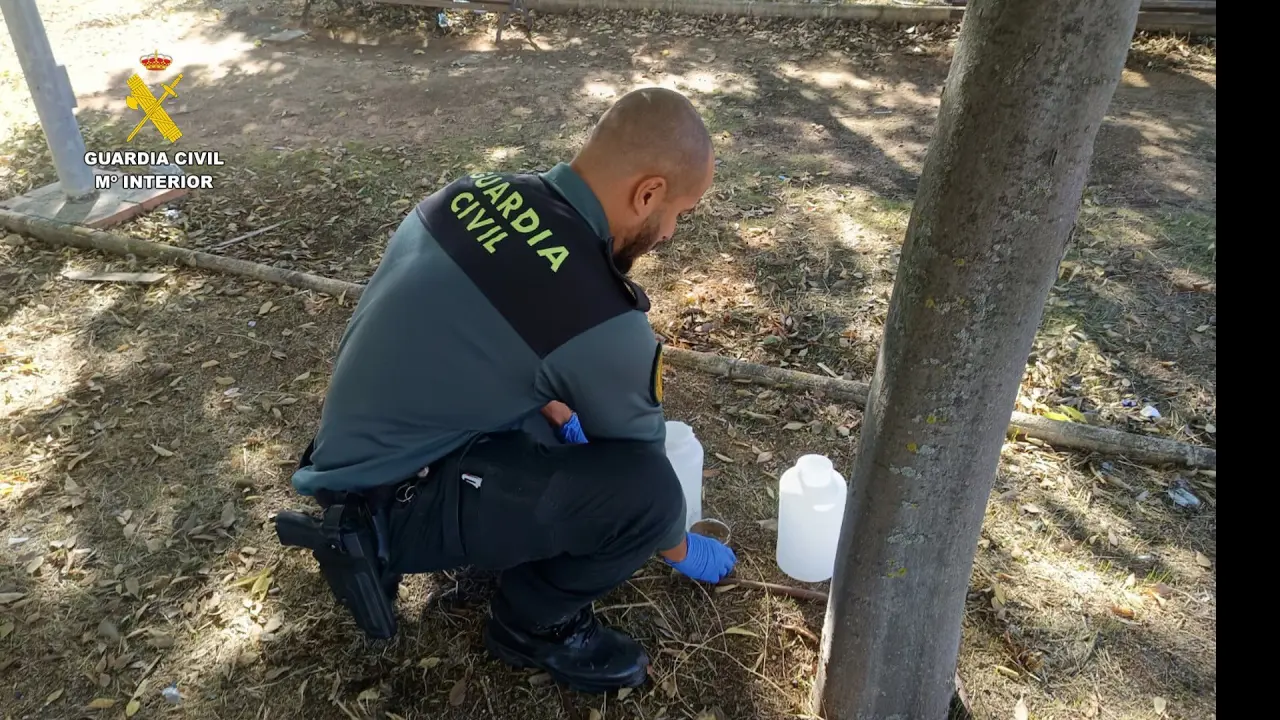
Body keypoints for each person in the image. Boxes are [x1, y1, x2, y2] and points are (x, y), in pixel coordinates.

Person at [282, 87, 737, 693]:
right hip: (394, 501)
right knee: (650, 497)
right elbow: (637, 463)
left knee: (556, 424)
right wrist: (678, 547)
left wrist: (554, 405)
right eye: (679, 212)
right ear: (647, 193)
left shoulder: (468, 193)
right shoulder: (599, 313)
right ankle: (532, 626)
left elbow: (471, 341)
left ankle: (426, 525)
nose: (671, 233)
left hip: (350, 453)